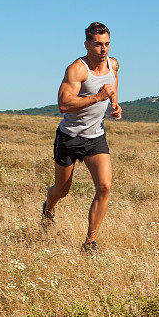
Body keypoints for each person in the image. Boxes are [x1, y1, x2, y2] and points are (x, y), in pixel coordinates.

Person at [42, 21, 122, 253]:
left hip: (95, 137)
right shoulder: (77, 69)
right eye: (97, 45)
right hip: (68, 137)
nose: (103, 49)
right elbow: (64, 104)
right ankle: (49, 207)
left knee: (105, 187)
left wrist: (114, 104)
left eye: (106, 44)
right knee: (61, 190)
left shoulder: (113, 65)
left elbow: (112, 85)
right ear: (87, 44)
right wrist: (98, 98)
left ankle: (90, 243)